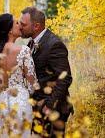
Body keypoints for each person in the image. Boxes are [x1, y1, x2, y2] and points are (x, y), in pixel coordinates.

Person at [0, 13, 39, 137]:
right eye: (16, 23)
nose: (20, 25)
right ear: (9, 30)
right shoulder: (23, 51)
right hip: (19, 106)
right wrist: (23, 94)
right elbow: (33, 85)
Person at [20, 7, 74, 137]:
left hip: (53, 109)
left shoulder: (54, 44)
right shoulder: (30, 44)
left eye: (24, 24)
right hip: (37, 109)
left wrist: (49, 106)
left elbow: (65, 78)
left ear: (36, 26)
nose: (20, 27)